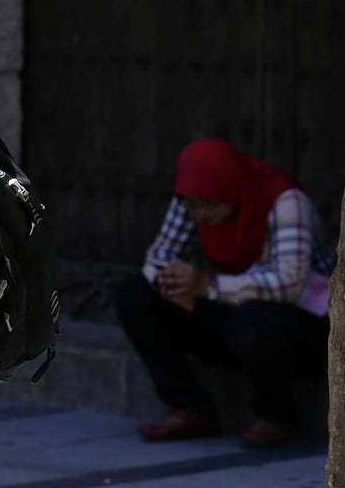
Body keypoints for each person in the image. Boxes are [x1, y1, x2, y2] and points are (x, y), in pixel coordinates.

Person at [116, 137, 336, 448]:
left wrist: (209, 286)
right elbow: (160, 254)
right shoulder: (194, 199)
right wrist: (169, 278)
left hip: (300, 323)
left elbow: (290, 284)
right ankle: (191, 407)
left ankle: (277, 413)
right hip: (232, 308)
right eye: (195, 206)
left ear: (230, 186)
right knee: (136, 292)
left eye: (209, 205)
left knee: (251, 319)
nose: (201, 215)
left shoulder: (286, 202)